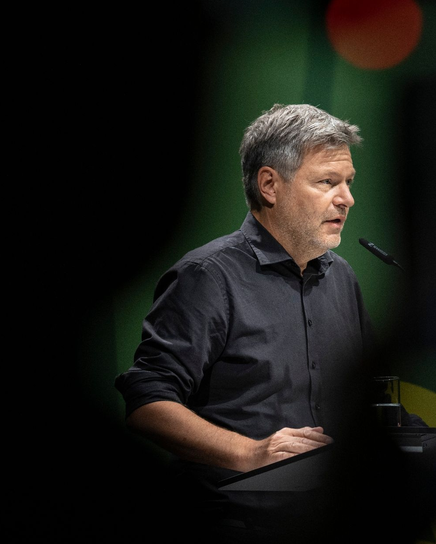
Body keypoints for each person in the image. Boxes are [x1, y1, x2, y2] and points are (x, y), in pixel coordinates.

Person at [115, 103, 387, 542]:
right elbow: (147, 402)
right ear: (269, 185)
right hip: (231, 522)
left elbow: (370, 391)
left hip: (330, 521)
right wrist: (250, 451)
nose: (347, 198)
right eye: (327, 182)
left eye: (349, 183)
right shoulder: (208, 275)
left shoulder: (343, 278)